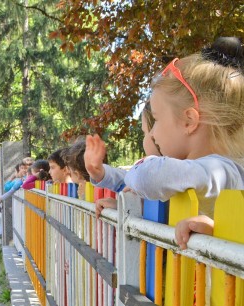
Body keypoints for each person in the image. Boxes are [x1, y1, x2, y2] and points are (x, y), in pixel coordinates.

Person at [85, 37, 244, 230]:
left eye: (157, 119)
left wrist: (137, 174)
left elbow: (148, 176)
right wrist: (134, 207)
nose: (153, 133)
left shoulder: (223, 170)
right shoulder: (198, 173)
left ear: (189, 121)